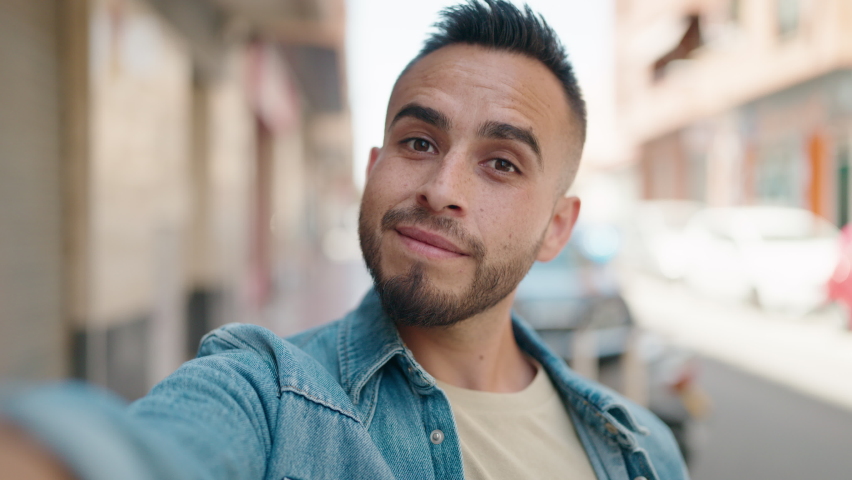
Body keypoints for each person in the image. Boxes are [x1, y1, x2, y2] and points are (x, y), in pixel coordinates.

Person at [0, 1, 688, 478]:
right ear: (373, 171)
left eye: (501, 164)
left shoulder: (640, 451)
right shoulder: (267, 394)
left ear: (557, 228)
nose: (442, 186)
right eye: (418, 141)